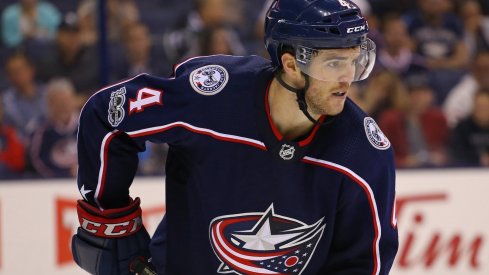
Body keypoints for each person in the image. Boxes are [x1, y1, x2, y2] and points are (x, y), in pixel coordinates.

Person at [71, 1, 398, 274]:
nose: (348, 78)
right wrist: (111, 220)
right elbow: (109, 114)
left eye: (356, 61)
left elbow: (362, 265)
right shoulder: (212, 97)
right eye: (335, 63)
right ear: (291, 65)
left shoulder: (365, 155)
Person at [378, 74, 449, 168]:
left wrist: (441, 157)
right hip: (402, 172)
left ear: (431, 95)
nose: (417, 98)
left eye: (422, 93)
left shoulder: (438, 118)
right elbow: (381, 153)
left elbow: (449, 149)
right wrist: (403, 161)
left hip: (435, 171)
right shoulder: (390, 120)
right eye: (412, 93)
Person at [29, 78, 78, 178]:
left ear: (73, 100)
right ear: (49, 104)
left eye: (66, 101)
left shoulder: (87, 124)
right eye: (58, 102)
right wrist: (61, 177)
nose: (63, 106)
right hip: (52, 183)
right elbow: (37, 160)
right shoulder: (41, 129)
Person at [449, 89, 489, 167]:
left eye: (486, 107)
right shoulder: (462, 128)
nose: (482, 110)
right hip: (467, 171)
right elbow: (456, 152)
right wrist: (479, 158)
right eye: (479, 106)